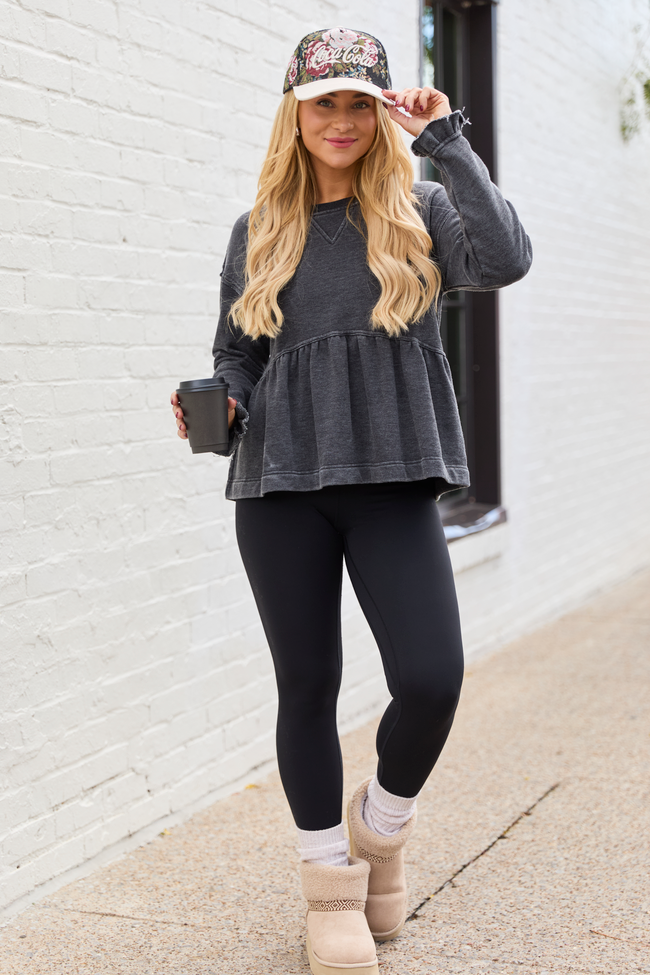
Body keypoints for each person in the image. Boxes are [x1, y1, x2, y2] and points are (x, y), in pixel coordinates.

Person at [171, 26, 532, 975]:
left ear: (380, 113)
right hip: (279, 483)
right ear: (295, 115)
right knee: (308, 686)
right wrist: (221, 399)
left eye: (358, 104)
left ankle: (382, 825)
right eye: (323, 102)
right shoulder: (258, 229)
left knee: (431, 678)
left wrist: (444, 136)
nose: (340, 120)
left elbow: (506, 259)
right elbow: (237, 353)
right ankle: (329, 887)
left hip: (394, 476)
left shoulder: (423, 208)